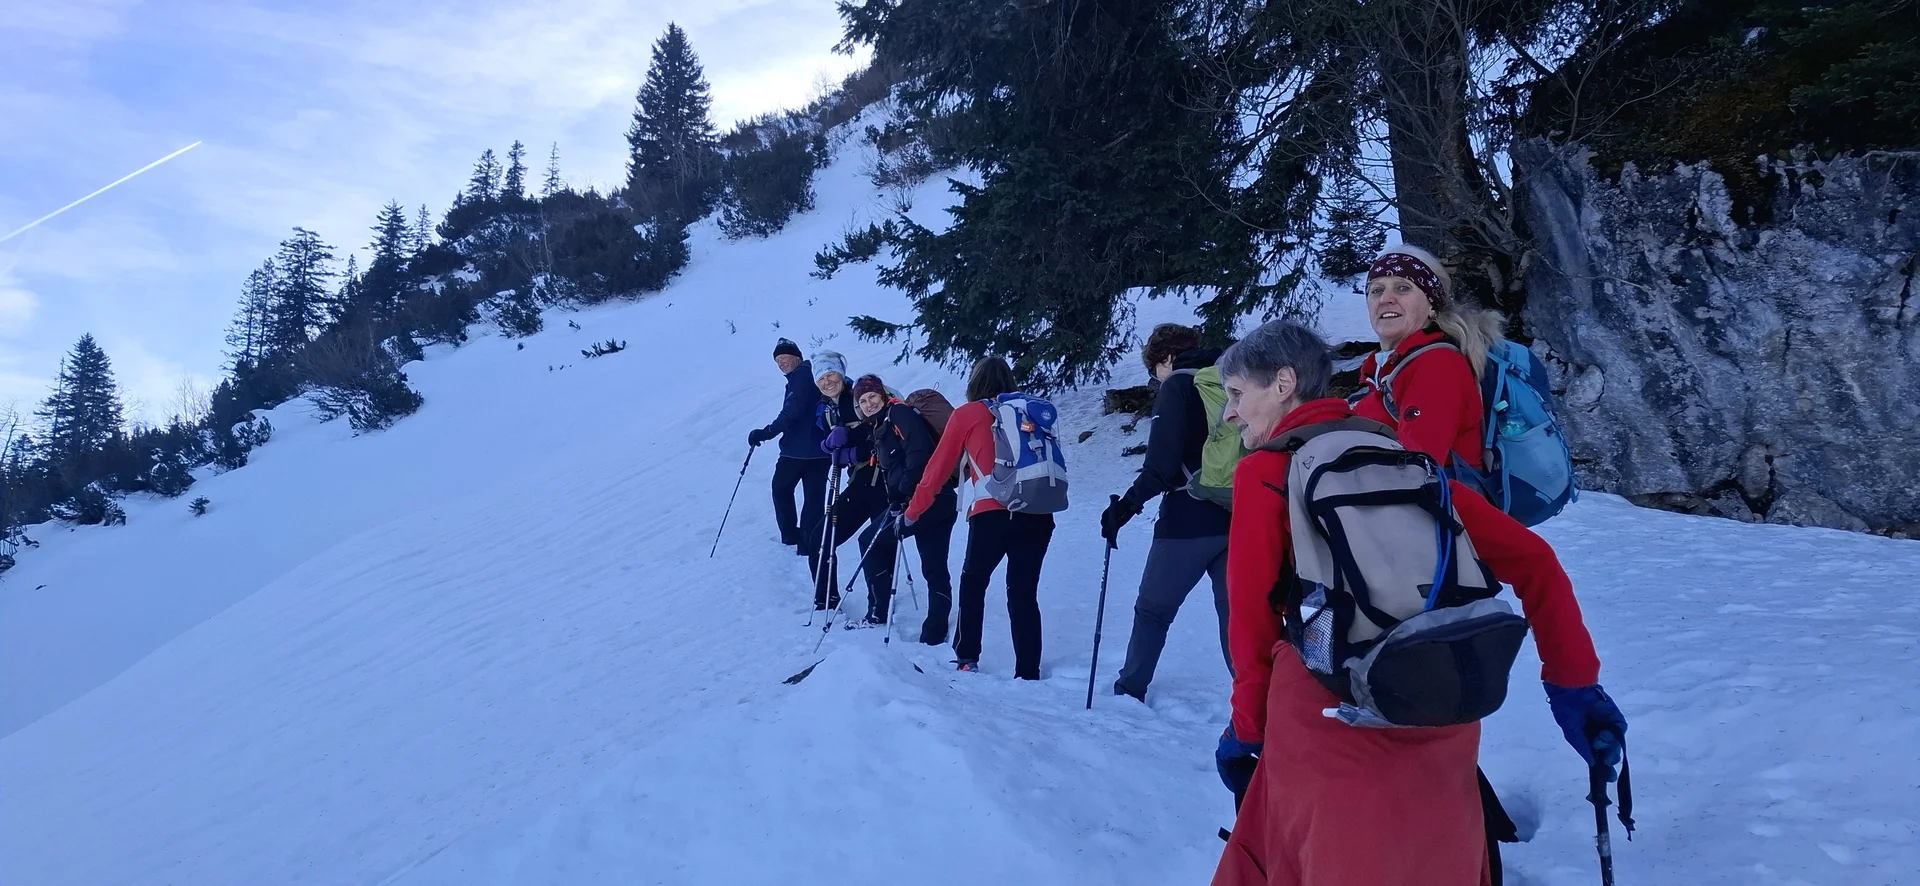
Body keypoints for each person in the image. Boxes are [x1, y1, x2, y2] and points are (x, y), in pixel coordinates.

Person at [1210, 320, 1626, 886]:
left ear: (1283, 383)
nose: (1230, 414)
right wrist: (1574, 686)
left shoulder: (1265, 471)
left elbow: (1252, 619)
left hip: (1326, 709)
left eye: (1237, 394)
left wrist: (1246, 729)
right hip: (1437, 692)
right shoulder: (1400, 456)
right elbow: (1536, 562)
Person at [1099, 324, 1232, 703]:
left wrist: (1126, 506)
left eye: (1153, 369)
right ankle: (1256, 702)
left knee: (1153, 610)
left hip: (1187, 519)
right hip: (1238, 513)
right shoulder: (1232, 382)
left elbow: (1161, 463)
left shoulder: (1177, 385)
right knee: (1235, 615)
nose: (1155, 378)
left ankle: (1129, 690)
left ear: (1166, 358)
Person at [904, 357, 1053, 678]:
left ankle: (967, 657)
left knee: (973, 583)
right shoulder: (1031, 411)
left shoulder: (968, 414)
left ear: (974, 383)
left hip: (992, 513)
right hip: (1038, 512)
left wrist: (912, 513)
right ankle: (1028, 670)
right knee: (1023, 591)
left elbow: (936, 471)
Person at [1350, 245, 1503, 470]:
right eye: (1376, 290)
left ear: (1432, 305)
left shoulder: (1438, 365)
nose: (1385, 299)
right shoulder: (1383, 368)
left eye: (1402, 288)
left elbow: (1418, 469)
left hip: (1441, 493)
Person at [867, 378, 960, 645]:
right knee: (934, 567)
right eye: (862, 400)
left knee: (870, 542)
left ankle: (878, 612)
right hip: (938, 499)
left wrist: (901, 491)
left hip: (923, 500)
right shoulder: (881, 425)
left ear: (884, 395)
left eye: (872, 396)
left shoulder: (899, 413)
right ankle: (934, 633)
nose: (868, 403)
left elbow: (919, 452)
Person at [748, 339, 828, 555]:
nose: (781, 363)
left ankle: (792, 535)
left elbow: (791, 411)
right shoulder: (809, 375)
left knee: (781, 489)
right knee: (814, 498)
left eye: (784, 358)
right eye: (777, 361)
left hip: (797, 450)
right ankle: (808, 544)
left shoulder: (801, 376)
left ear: (797, 357)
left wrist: (766, 433)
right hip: (821, 449)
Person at [806, 351, 861, 610]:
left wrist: (852, 452)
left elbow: (880, 434)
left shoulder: (859, 396)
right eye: (821, 378)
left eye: (831, 374)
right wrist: (831, 447)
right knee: (820, 540)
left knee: (877, 544)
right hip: (859, 478)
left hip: (883, 481)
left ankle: (879, 610)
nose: (827, 382)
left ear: (841, 373)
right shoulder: (827, 406)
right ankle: (825, 599)